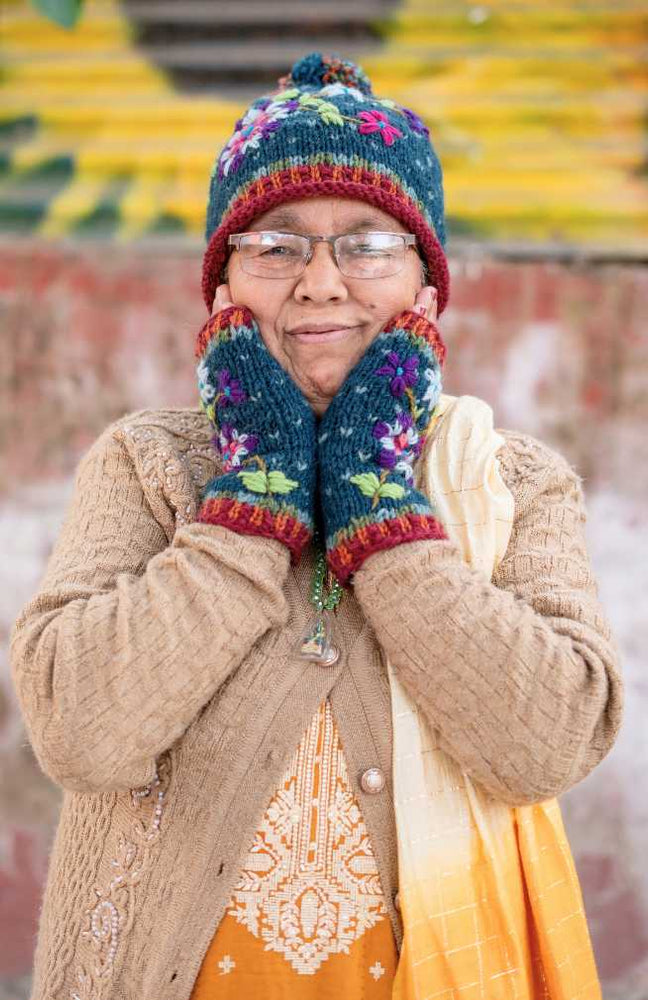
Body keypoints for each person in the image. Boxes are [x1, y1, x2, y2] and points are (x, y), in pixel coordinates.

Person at [10, 52, 623, 1000]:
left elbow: (545, 744)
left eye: (369, 244)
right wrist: (255, 497)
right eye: (277, 245)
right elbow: (82, 733)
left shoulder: (511, 480)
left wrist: (379, 501)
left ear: (427, 282)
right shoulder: (151, 463)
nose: (323, 283)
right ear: (223, 288)